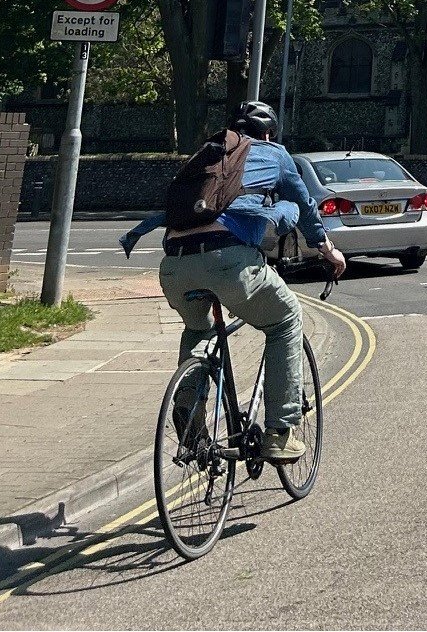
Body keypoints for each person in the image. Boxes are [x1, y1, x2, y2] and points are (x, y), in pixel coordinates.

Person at [121, 101, 346, 462]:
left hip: (175, 266)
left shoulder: (209, 155)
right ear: (269, 133)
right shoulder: (275, 153)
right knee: (285, 321)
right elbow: (303, 205)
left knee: (199, 330)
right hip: (230, 262)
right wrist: (327, 250)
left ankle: (192, 433)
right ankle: (279, 432)